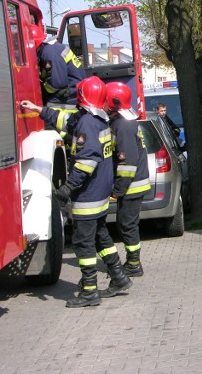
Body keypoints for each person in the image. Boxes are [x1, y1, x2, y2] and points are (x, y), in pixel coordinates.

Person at [20, 76, 132, 308]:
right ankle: (119, 277)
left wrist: (69, 187)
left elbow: (87, 161)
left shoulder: (87, 124)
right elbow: (65, 120)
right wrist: (38, 109)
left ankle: (89, 291)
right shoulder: (96, 119)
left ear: (82, 97)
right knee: (101, 236)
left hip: (88, 195)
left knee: (83, 242)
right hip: (100, 193)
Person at [106, 82, 151, 277]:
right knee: (126, 224)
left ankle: (134, 264)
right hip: (134, 184)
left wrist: (118, 189)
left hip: (131, 185)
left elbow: (128, 161)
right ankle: (133, 261)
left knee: (127, 225)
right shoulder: (125, 121)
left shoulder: (122, 125)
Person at [29, 24, 86, 108]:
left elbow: (56, 84)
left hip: (70, 97)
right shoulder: (51, 48)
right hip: (76, 92)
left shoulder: (49, 53)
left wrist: (40, 90)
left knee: (47, 109)